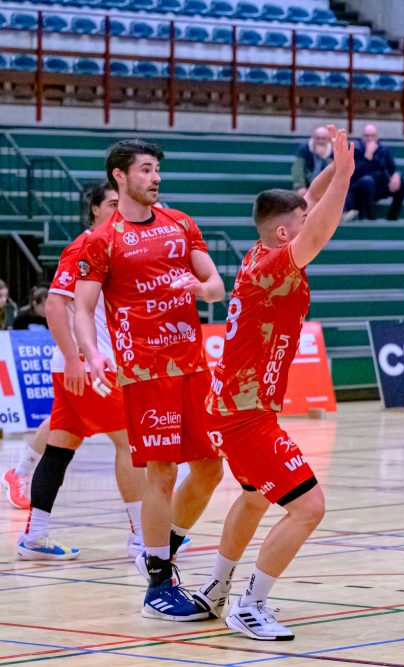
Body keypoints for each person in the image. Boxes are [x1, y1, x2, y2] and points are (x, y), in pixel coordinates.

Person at [193, 127, 354, 641]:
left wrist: (336, 162)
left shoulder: (259, 252)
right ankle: (250, 605)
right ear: (285, 235)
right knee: (309, 506)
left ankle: (215, 589)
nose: (311, 221)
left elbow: (308, 202)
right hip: (244, 413)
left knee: (255, 497)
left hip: (236, 406)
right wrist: (347, 175)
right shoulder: (272, 268)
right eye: (300, 224)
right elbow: (318, 227)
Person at [75, 139, 225, 621]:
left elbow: (216, 284)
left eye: (157, 169)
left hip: (194, 366)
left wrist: (202, 288)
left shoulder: (181, 223)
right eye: (145, 169)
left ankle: (161, 552)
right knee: (161, 472)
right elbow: (82, 307)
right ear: (120, 176)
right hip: (145, 372)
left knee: (210, 469)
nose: (154, 177)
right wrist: (92, 353)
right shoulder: (102, 240)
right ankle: (159, 585)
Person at [16, 182, 147, 561]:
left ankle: (35, 537)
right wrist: (75, 358)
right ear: (93, 209)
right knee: (130, 444)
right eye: (111, 203)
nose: (118, 209)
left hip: (88, 365)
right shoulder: (85, 245)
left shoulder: (112, 248)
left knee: (59, 449)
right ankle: (142, 535)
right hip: (88, 367)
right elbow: (56, 307)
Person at [346, 123, 404, 221]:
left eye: (373, 136)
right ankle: (370, 217)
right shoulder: (355, 150)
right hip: (359, 188)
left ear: (377, 137)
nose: (370, 139)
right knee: (367, 181)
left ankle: (392, 217)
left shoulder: (382, 150)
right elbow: (354, 175)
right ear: (362, 137)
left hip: (378, 186)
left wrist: (396, 175)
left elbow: (393, 169)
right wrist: (367, 156)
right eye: (367, 136)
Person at [291, 125, 333, 196]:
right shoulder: (304, 148)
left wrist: (324, 158)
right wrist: (300, 186)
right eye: (318, 138)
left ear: (328, 139)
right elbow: (297, 169)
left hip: (326, 186)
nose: (320, 141)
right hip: (307, 184)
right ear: (313, 138)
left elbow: (334, 171)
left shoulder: (333, 151)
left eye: (323, 139)